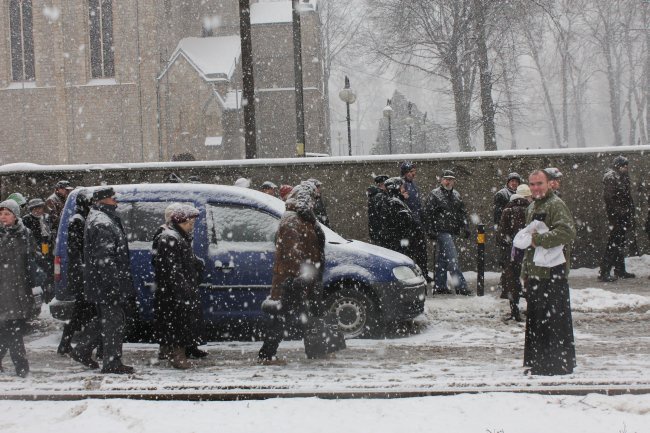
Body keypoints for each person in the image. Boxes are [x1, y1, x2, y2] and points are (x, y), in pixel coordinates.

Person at [258, 182, 332, 363]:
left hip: (307, 276)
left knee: (312, 313)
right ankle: (267, 354)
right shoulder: (292, 219)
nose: (314, 202)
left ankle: (319, 350)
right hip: (294, 279)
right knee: (285, 316)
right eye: (312, 199)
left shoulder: (305, 218)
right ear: (304, 200)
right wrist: (301, 276)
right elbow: (291, 254)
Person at [70, 187, 136, 374]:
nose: (116, 201)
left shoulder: (103, 218)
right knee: (114, 322)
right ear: (103, 200)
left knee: (107, 320)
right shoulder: (102, 222)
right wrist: (112, 285)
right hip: (106, 284)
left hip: (104, 283)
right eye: (113, 198)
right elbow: (105, 259)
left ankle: (82, 350)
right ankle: (112, 363)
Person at [520, 169, 576, 376]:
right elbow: (528, 240)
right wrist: (525, 271)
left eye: (539, 183)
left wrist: (540, 240)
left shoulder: (556, 205)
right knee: (537, 318)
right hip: (536, 272)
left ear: (549, 184)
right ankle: (539, 361)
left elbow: (568, 231)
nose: (535, 188)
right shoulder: (532, 206)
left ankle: (557, 362)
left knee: (555, 319)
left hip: (553, 271)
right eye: (532, 184)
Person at [152, 204, 205, 369]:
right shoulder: (171, 238)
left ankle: (173, 353)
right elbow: (172, 270)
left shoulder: (178, 236)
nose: (192, 225)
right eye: (191, 222)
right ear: (183, 221)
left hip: (176, 290)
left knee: (178, 322)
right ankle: (177, 357)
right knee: (178, 323)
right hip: (174, 292)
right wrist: (183, 290)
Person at [0, 199, 43, 378]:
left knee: (8, 330)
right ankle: (22, 367)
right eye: (0, 214)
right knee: (13, 329)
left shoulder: (25, 234)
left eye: (7, 214)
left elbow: (33, 258)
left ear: (15, 215)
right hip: (3, 290)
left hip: (20, 289)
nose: (3, 217)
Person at [56, 190, 99, 356]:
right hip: (83, 276)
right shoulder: (78, 220)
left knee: (82, 312)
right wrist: (82, 271)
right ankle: (72, 345)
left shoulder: (83, 218)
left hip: (83, 274)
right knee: (83, 311)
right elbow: (76, 252)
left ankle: (68, 344)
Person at [423, 170, 471, 295]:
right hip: (441, 231)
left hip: (452, 231)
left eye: (451, 179)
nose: (448, 181)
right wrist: (430, 230)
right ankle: (461, 286)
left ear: (454, 181)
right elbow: (427, 214)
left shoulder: (456, 194)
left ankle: (440, 285)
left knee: (442, 260)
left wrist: (465, 226)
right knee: (453, 259)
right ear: (441, 180)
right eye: (446, 179)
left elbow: (462, 212)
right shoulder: (435, 195)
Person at [496, 184, 532, 322]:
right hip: (528, 251)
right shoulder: (530, 210)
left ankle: (514, 311)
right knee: (528, 280)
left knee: (512, 281)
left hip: (511, 253)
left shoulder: (508, 210)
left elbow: (501, 235)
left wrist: (507, 245)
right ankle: (531, 309)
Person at [598, 156, 635, 281]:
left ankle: (619, 269)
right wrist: (621, 212)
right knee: (614, 244)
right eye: (624, 166)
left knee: (619, 243)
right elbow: (610, 198)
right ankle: (605, 271)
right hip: (617, 217)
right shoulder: (611, 177)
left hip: (622, 216)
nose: (626, 168)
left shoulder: (620, 176)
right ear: (618, 166)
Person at [400, 161, 431, 283]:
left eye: (414, 172)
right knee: (409, 252)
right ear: (406, 172)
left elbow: (418, 205)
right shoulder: (401, 184)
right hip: (408, 225)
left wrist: (423, 220)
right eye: (411, 172)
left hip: (417, 223)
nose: (414, 174)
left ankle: (423, 273)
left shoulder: (413, 185)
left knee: (421, 251)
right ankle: (411, 275)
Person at [381, 177, 421, 264]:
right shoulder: (394, 203)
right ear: (396, 188)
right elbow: (404, 224)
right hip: (401, 243)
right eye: (402, 187)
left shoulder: (397, 201)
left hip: (402, 241)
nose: (405, 189)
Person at [21, 199, 54, 302]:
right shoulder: (26, 220)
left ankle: (49, 295)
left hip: (47, 249)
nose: (38, 211)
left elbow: (50, 232)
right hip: (35, 250)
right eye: (35, 208)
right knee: (39, 274)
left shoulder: (46, 218)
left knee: (49, 273)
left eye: (39, 208)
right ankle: (41, 296)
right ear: (31, 210)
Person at [367, 174, 389, 244]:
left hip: (376, 232)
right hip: (381, 233)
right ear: (382, 185)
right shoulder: (380, 197)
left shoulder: (375, 196)